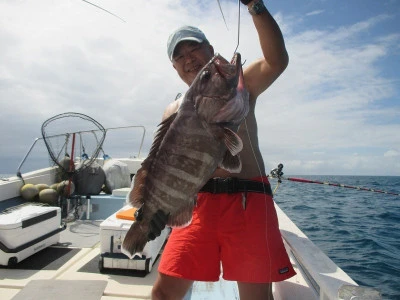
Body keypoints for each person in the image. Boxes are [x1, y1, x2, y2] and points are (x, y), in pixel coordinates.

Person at [152, 0, 296, 299]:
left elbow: (276, 60)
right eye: (179, 56)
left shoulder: (239, 84)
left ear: (209, 48)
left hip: (249, 201)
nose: (188, 58)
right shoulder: (173, 110)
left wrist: (255, 5)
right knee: (164, 294)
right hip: (198, 206)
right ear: (174, 67)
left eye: (193, 49)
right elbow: (163, 165)